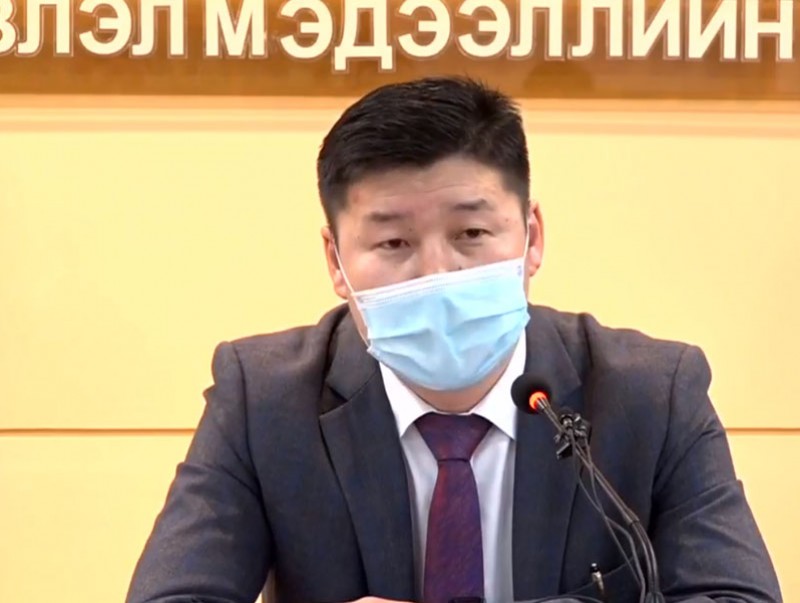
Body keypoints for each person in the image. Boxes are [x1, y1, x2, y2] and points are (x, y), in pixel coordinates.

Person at [126, 76, 782, 603]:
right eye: (393, 242)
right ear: (336, 261)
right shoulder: (263, 399)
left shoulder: (651, 393)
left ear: (531, 237)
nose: (437, 274)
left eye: (471, 234)